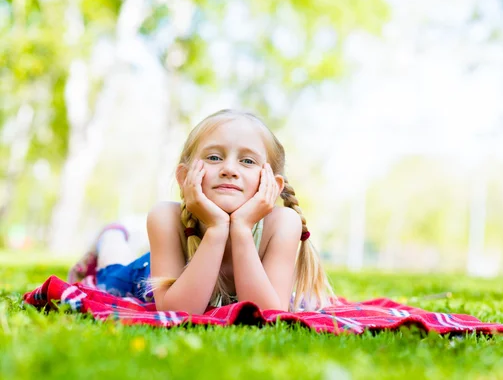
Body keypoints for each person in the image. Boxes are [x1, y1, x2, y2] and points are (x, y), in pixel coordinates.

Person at [67, 109, 336, 314]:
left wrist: (241, 229)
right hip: (143, 276)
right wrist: (218, 229)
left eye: (247, 161)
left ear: (272, 184)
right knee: (109, 270)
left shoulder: (281, 224)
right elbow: (179, 312)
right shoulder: (166, 217)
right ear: (184, 177)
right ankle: (111, 236)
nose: (229, 168)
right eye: (214, 157)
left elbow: (268, 314)